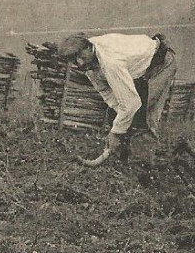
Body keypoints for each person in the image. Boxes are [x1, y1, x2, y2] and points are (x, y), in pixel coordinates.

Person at [57, 32, 177, 162]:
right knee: (124, 115)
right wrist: (120, 121)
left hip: (161, 64)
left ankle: (143, 164)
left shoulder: (110, 62)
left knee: (145, 114)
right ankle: (123, 157)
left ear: (88, 47)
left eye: (80, 56)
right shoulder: (89, 62)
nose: (79, 63)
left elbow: (132, 104)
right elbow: (106, 92)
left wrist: (116, 132)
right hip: (138, 68)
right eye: (74, 60)